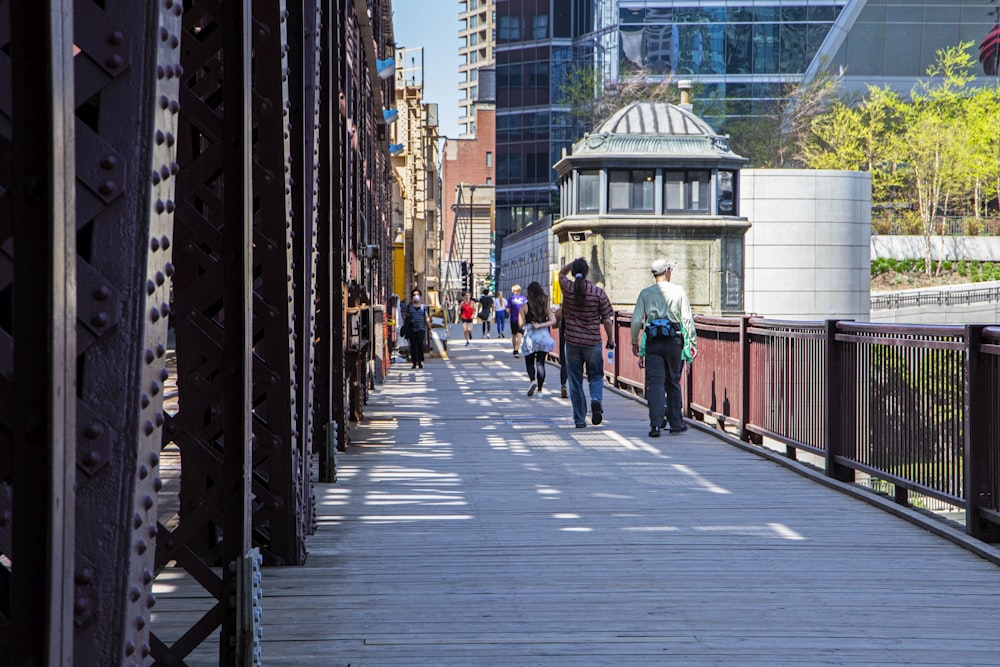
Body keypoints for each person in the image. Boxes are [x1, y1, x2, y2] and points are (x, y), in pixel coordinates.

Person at [630, 259, 698, 437]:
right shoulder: (679, 291)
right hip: (673, 341)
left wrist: (634, 342)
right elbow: (687, 320)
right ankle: (676, 423)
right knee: (673, 382)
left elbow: (637, 320)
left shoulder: (645, 293)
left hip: (653, 342)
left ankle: (655, 425)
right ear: (667, 271)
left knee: (656, 384)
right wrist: (692, 343)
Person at [558, 258, 614, 428]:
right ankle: (596, 400)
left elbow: (560, 273)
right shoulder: (598, 292)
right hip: (592, 342)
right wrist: (610, 340)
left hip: (573, 342)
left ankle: (580, 419)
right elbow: (607, 319)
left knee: (575, 380)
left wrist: (572, 264)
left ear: (574, 273)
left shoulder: (567, 288)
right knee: (596, 376)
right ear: (588, 272)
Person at [519, 282, 557, 396]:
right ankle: (540, 390)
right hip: (543, 336)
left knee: (529, 362)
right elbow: (553, 320)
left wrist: (527, 324)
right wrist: (540, 325)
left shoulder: (525, 306)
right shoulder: (545, 306)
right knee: (541, 363)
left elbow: (520, 324)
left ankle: (532, 380)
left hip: (530, 336)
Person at [401, 287, 432, 369]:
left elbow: (426, 317)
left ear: (420, 296)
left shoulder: (423, 307)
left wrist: (429, 328)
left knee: (420, 344)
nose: (416, 296)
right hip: (412, 329)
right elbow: (405, 316)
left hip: (421, 328)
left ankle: (420, 361)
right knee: (413, 346)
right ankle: (414, 362)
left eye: (417, 295)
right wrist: (407, 320)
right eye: (414, 295)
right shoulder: (409, 306)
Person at [506, 284, 528, 358]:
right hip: (522, 319)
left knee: (514, 335)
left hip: (513, 319)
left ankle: (514, 348)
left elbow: (507, 309)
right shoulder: (524, 299)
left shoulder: (511, 299)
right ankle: (517, 349)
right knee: (520, 335)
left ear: (513, 290)